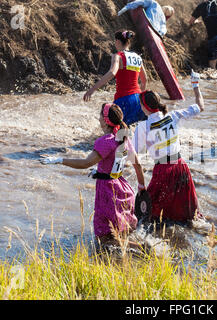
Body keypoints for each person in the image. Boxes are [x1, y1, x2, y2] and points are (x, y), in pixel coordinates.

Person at [40, 103, 146, 245]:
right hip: (124, 190)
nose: (98, 118)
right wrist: (141, 187)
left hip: (108, 192)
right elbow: (137, 165)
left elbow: (85, 163)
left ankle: (144, 248)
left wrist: (59, 160)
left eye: (100, 115)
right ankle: (139, 251)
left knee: (104, 239)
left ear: (105, 120)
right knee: (121, 233)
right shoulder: (124, 137)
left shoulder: (105, 141)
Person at [132, 70, 205, 223]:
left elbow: (132, 154)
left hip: (163, 171)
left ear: (144, 107)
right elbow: (200, 106)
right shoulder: (173, 116)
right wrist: (195, 84)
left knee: (147, 215)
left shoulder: (143, 126)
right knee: (187, 215)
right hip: (180, 166)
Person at [83, 30, 147, 126]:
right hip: (138, 99)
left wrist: (92, 89)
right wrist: (139, 98)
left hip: (123, 100)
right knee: (137, 132)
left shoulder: (118, 56)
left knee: (116, 133)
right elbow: (145, 79)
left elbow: (112, 72)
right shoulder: (137, 57)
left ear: (117, 41)